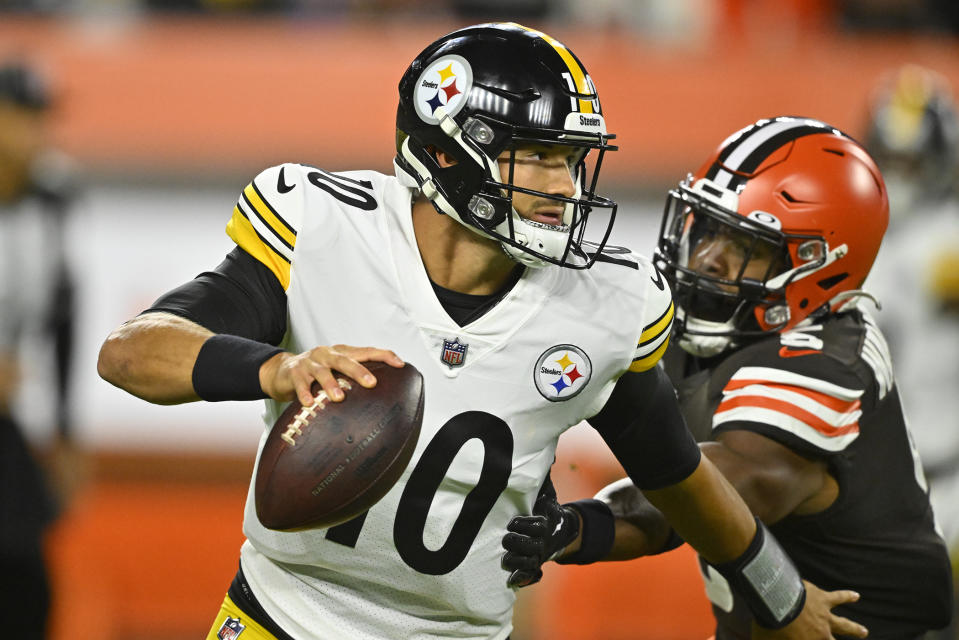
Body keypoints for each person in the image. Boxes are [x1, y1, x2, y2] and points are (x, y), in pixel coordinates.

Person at [99, 26, 865, 640]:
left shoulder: (605, 299)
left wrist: (779, 595)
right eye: (539, 157)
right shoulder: (326, 228)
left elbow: (676, 476)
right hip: (283, 614)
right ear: (445, 152)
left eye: (572, 162)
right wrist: (276, 369)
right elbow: (130, 353)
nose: (566, 188)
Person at [501, 116, 955, 639]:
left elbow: (701, 495)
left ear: (818, 265)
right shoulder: (719, 328)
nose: (710, 258)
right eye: (709, 228)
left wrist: (576, 527)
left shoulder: (823, 360)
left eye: (747, 247)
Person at [863, 64, 959, 640]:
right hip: (893, 486)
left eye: (912, 165)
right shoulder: (879, 242)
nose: (901, 180)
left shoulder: (942, 238)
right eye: (890, 163)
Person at [0, 59, 79, 639]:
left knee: (27, 583)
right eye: (18, 118)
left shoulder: (50, 199)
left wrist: (66, 426)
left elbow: (61, 311)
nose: (33, 134)